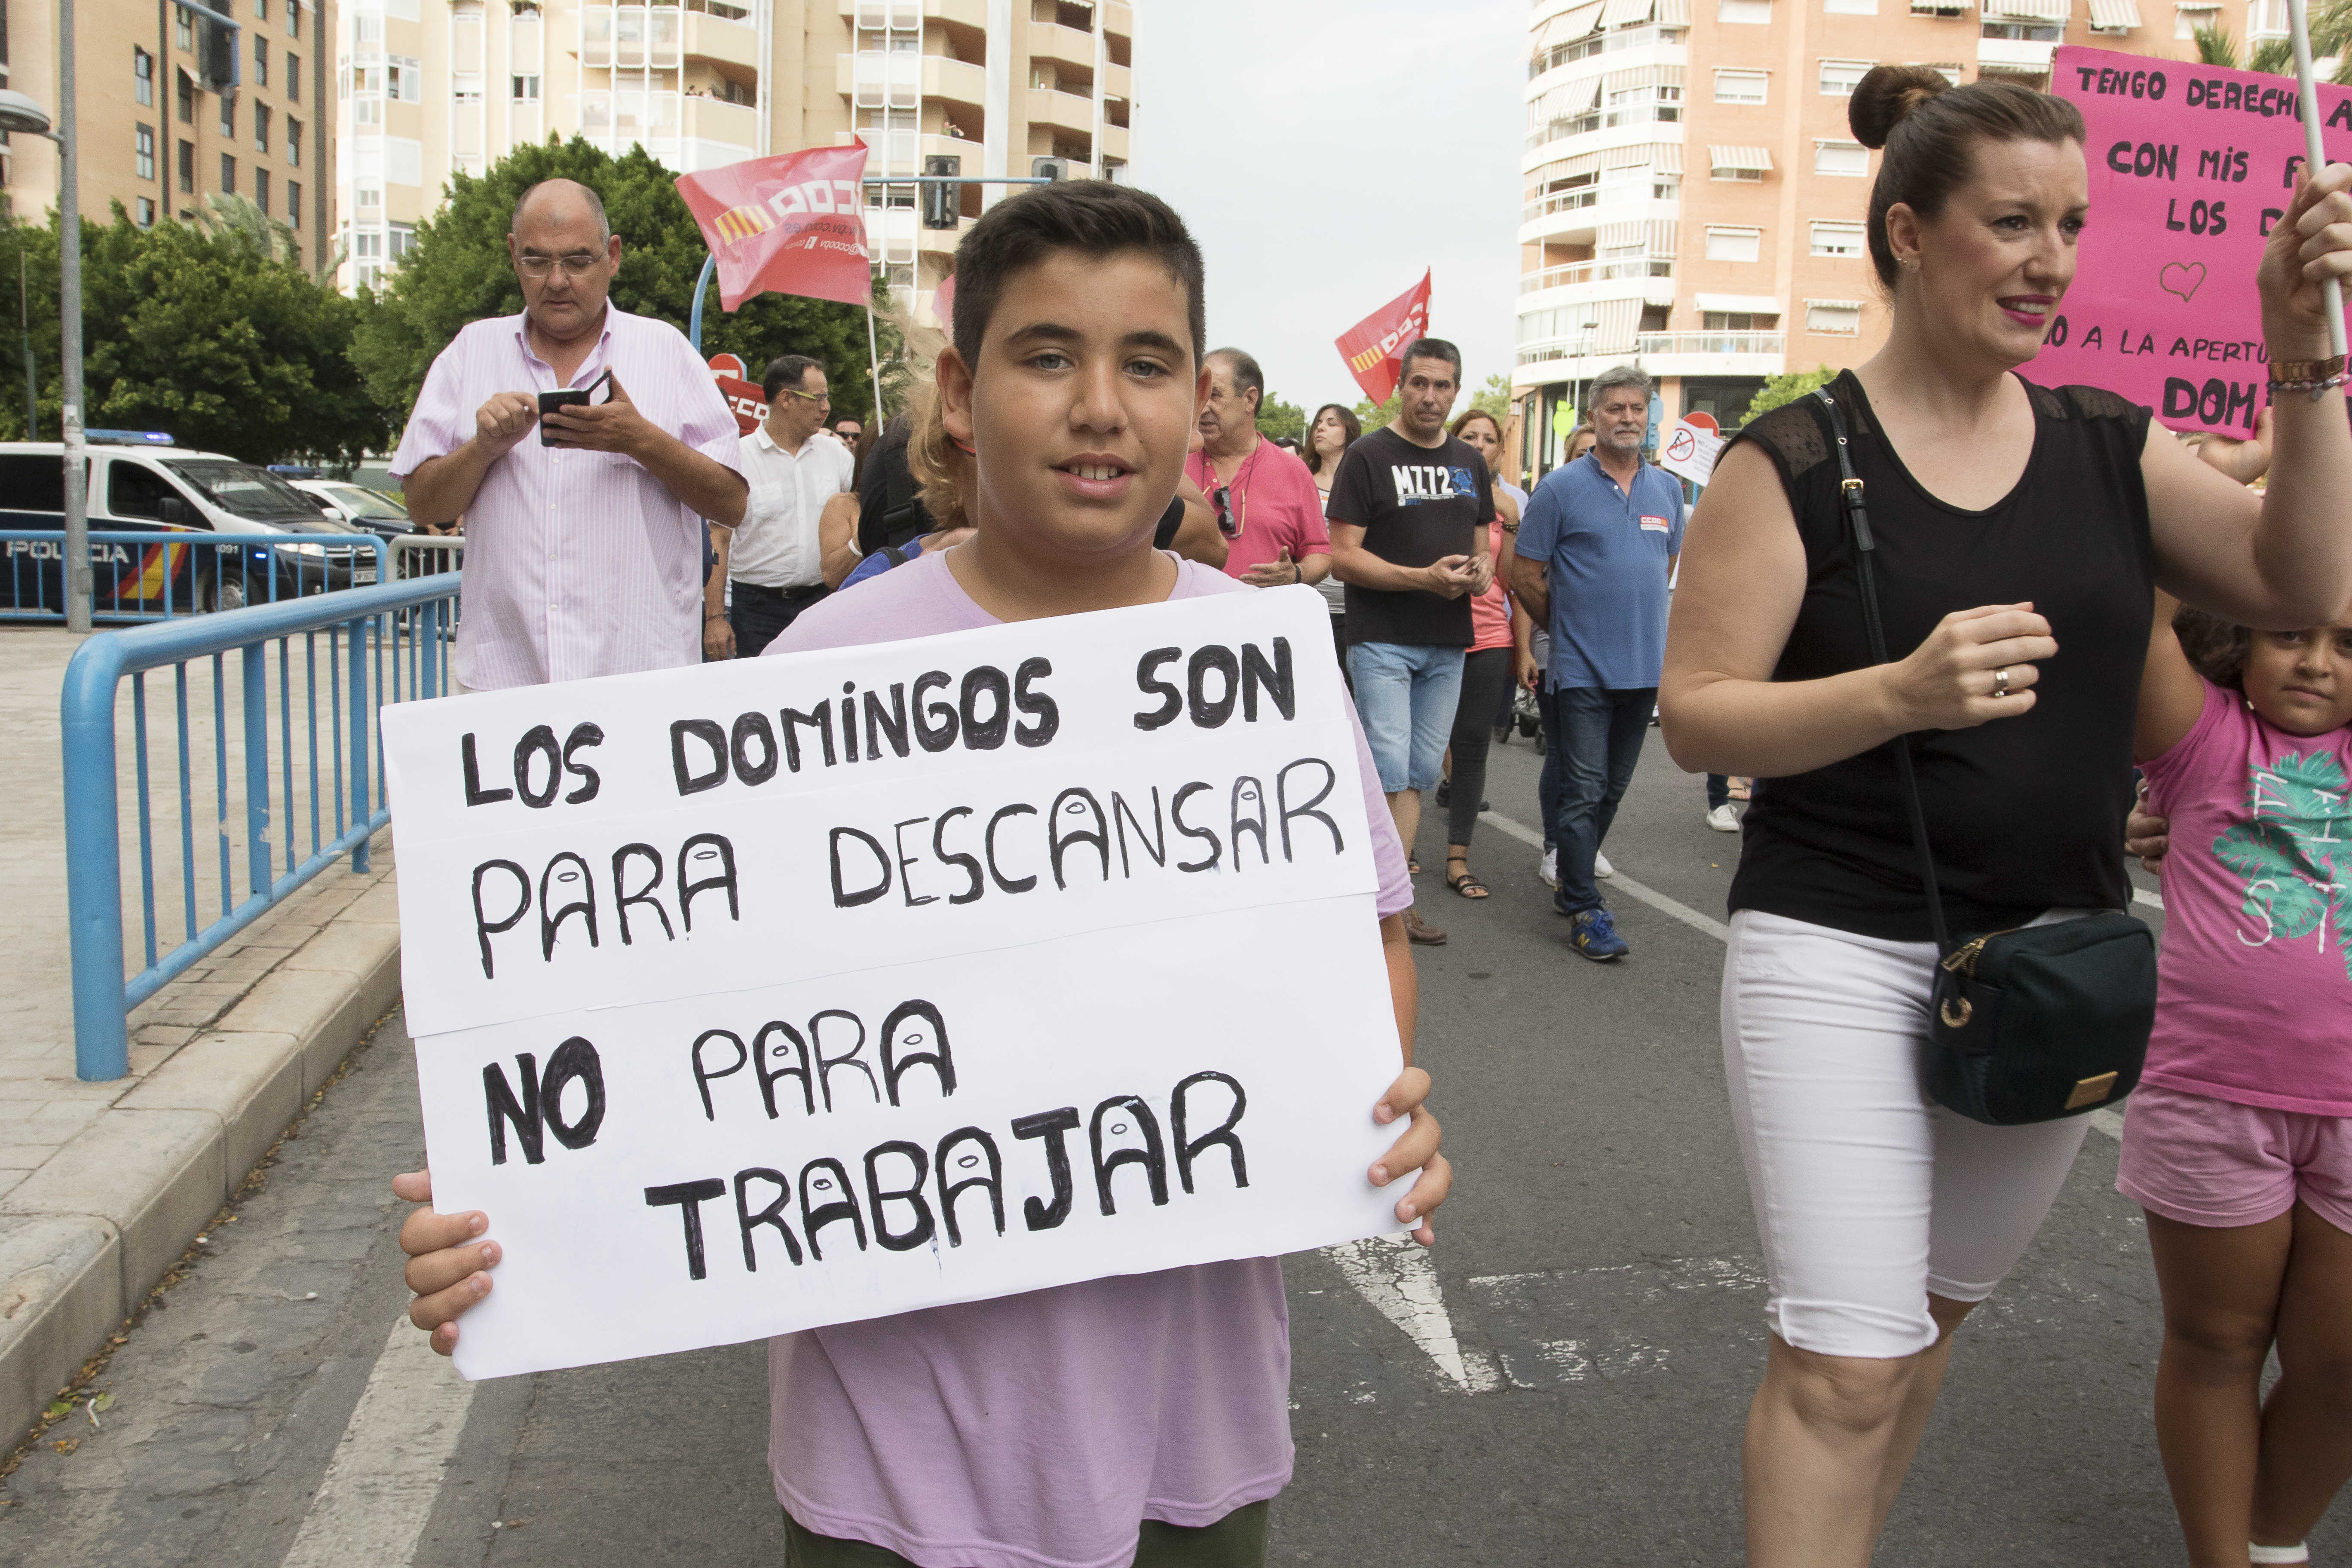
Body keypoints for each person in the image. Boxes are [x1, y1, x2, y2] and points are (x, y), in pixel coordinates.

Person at [392, 179, 1454, 1568]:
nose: (1099, 405)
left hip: (1185, 1433)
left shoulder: (1260, 665)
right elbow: (662, 1023)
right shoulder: (820, 672)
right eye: (1045, 356)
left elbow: (1366, 937)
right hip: (888, 1461)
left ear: (1197, 401)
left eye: (1146, 363)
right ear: (960, 391)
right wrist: (522, 1207)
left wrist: (1368, 1107)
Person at [1656, 65, 2352, 1568]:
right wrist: (1893, 693)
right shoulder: (1788, 458)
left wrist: (2299, 357)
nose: (2051, 259)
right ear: (1907, 234)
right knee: (1844, 1357)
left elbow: (2299, 581)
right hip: (1835, 948)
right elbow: (1698, 711)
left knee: (1916, 1338)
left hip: (2051, 963)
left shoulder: (2108, 441)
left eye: (2073, 224)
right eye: (2011, 222)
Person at [2119, 424, 2352, 1568]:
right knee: (2216, 1343)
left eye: (2347, 643)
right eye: (2290, 630)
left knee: (2341, 1361)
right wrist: (2248, 467)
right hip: (2215, 1100)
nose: (2315, 659)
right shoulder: (2200, 748)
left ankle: (2275, 1538)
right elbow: (2141, 604)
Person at [392, 178, 746, 690]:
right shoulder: (471, 352)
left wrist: (640, 440)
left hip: (639, 680)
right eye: (538, 261)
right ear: (514, 255)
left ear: (613, 256)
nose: (557, 281)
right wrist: (483, 449)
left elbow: (732, 503)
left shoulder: (665, 352)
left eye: (578, 261)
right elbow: (422, 505)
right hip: (506, 684)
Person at [1510, 364, 1684, 960]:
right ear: (1594, 416)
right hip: (1579, 668)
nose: (1628, 419)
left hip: (1644, 670)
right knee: (1582, 790)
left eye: (1638, 409)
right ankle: (1584, 906)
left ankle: (1573, 878)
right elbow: (1524, 575)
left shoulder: (1668, 492)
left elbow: (1659, 573)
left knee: (1610, 789)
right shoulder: (1560, 489)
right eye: (1615, 409)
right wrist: (1569, 626)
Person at [1327, 338, 1495, 946]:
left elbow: (1484, 551)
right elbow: (1342, 558)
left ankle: (1386, 900)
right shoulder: (1369, 456)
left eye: (1443, 386)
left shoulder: (1469, 462)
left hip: (1448, 643)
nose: (1430, 396)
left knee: (1419, 775)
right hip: (1383, 641)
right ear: (1402, 387)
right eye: (1419, 383)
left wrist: (1479, 572)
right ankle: (1387, 911)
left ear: (1456, 391)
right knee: (1391, 772)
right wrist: (1419, 579)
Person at [708, 354, 858, 658]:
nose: (826, 408)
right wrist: (715, 618)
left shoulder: (837, 455)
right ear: (786, 399)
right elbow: (719, 539)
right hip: (757, 611)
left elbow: (860, 518)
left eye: (827, 398)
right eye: (818, 398)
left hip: (824, 602)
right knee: (762, 697)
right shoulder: (738, 458)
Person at [1433, 408, 1523, 901]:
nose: (1481, 445)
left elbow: (1514, 581)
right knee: (1423, 748)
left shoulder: (1509, 505)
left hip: (1490, 635)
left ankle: (1458, 859)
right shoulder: (1435, 491)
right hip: (1434, 632)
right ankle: (1403, 848)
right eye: (1471, 436)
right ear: (1456, 442)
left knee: (1472, 747)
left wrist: (1523, 645)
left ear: (1499, 450)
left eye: (1490, 439)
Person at [1187, 348, 1332, 588]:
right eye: (1199, 396)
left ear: (1250, 399)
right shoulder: (1175, 464)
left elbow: (1320, 553)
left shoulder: (1293, 471)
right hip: (1184, 618)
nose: (1202, 408)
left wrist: (1295, 574)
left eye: (1214, 396)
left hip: (1265, 621)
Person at [1531, 421, 1599, 888]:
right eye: (1582, 452)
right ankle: (1557, 846)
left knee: (1598, 760)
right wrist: (1528, 650)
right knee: (1567, 751)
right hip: (1556, 642)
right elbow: (1523, 579)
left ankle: (1584, 843)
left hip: (1609, 650)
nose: (1591, 459)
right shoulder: (1554, 499)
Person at [1303, 402, 1362, 666]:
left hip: (1354, 611)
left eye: (1331, 423)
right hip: (1310, 608)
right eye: (1318, 423)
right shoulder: (1300, 479)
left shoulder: (1363, 484)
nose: (1321, 428)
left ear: (1348, 433)